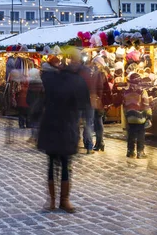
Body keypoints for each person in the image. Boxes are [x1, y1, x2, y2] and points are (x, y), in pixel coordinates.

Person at [37, 49, 90, 213]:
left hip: (55, 125)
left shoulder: (53, 78)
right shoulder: (74, 80)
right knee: (63, 164)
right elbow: (85, 105)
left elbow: (41, 100)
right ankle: (60, 200)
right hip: (64, 125)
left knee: (56, 164)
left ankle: (56, 200)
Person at [123, 73, 152, 158]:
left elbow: (124, 105)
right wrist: (149, 116)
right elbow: (146, 105)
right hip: (140, 117)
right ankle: (140, 152)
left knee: (131, 134)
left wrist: (126, 115)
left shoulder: (126, 92)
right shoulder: (142, 91)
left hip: (130, 117)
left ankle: (130, 151)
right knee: (140, 134)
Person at [91, 57, 112, 152]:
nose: (93, 65)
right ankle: (100, 142)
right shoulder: (100, 73)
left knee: (98, 122)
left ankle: (99, 142)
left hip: (98, 101)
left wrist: (96, 99)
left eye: (95, 63)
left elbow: (99, 88)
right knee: (97, 121)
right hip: (98, 100)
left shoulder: (99, 74)